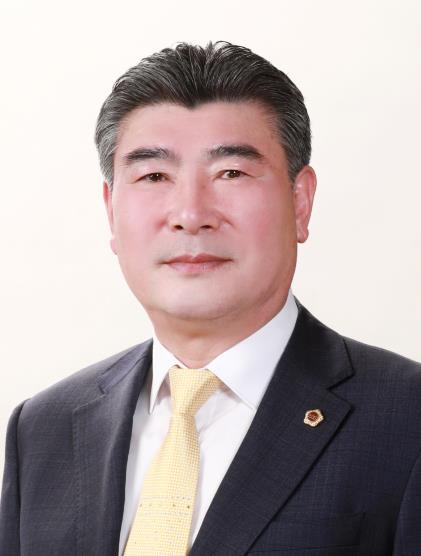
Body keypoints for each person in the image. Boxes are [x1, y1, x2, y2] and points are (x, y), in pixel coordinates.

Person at [1, 41, 420, 556]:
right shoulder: (42, 429)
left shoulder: (407, 420)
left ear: (300, 202)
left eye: (231, 173)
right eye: (154, 176)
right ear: (111, 210)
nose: (190, 214)